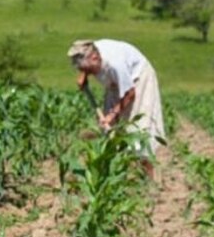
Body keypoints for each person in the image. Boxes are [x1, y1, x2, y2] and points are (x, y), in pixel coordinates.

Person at [68, 39, 166, 179]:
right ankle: (116, 177)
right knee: (109, 131)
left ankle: (148, 181)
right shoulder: (89, 50)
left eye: (87, 69)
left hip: (138, 80)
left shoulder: (115, 64)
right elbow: (84, 61)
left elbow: (130, 93)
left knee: (138, 132)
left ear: (95, 58)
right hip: (115, 83)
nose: (87, 72)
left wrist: (112, 114)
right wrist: (84, 74)